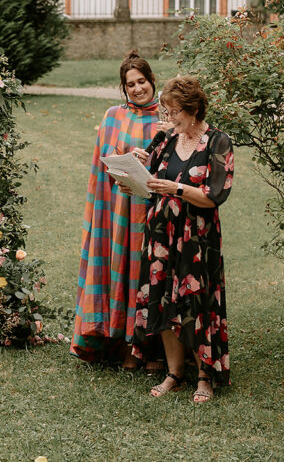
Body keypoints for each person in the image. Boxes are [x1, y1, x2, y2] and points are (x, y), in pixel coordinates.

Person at [128, 76, 234, 403]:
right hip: (161, 232)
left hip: (197, 237)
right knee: (160, 297)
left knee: (198, 303)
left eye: (174, 112)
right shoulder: (166, 138)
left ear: (193, 109)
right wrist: (133, 174)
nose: (169, 118)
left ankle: (205, 377)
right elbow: (149, 180)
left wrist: (176, 189)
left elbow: (215, 195)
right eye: (167, 111)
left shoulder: (219, 142)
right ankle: (174, 373)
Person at [71, 51, 168, 371]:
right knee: (122, 271)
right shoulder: (113, 115)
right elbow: (105, 162)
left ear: (152, 80)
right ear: (123, 89)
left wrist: (151, 160)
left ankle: (151, 347)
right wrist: (127, 156)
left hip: (155, 207)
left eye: (142, 81)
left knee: (150, 273)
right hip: (119, 209)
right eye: (130, 84)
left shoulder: (167, 117)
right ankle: (122, 344)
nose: (137, 88)